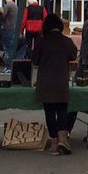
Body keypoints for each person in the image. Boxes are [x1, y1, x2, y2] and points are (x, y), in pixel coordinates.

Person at [33, 12, 78, 155]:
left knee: (50, 112)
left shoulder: (41, 41)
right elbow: (73, 56)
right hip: (61, 81)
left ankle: (54, 143)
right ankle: (63, 139)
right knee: (62, 110)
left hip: (45, 82)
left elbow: (35, 60)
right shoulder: (67, 41)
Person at [1, 0, 19, 69]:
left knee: (9, 49)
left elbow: (2, 16)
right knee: (11, 48)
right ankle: (11, 67)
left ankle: (9, 67)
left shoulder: (8, 5)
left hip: (8, 29)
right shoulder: (15, 5)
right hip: (14, 29)